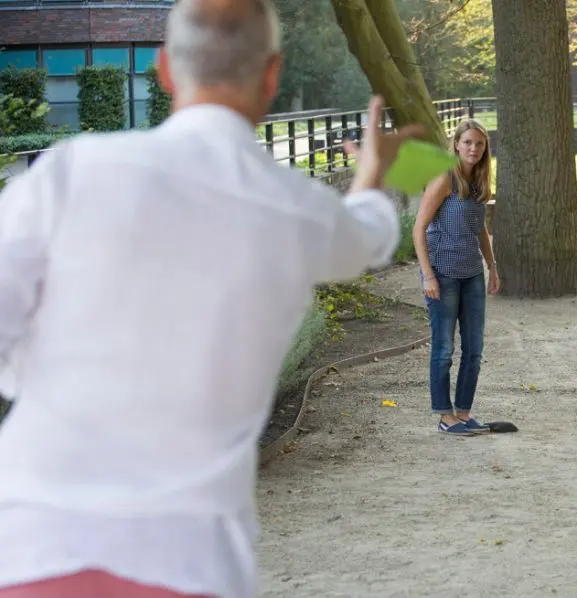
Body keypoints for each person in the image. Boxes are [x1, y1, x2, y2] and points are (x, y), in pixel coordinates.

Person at [0, 0, 419, 596]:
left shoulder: (68, 174)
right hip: (190, 562)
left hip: (33, 544)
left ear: (165, 69)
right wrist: (372, 175)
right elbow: (369, 235)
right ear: (272, 75)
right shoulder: (295, 209)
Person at [413, 120, 500, 437]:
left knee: (474, 350)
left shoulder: (478, 182)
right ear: (456, 145)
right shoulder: (444, 179)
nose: (473, 149)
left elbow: (480, 229)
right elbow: (418, 229)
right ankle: (445, 416)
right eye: (468, 143)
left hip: (472, 273)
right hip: (443, 274)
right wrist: (428, 276)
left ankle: (463, 413)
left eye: (479, 144)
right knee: (444, 349)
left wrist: (492, 265)